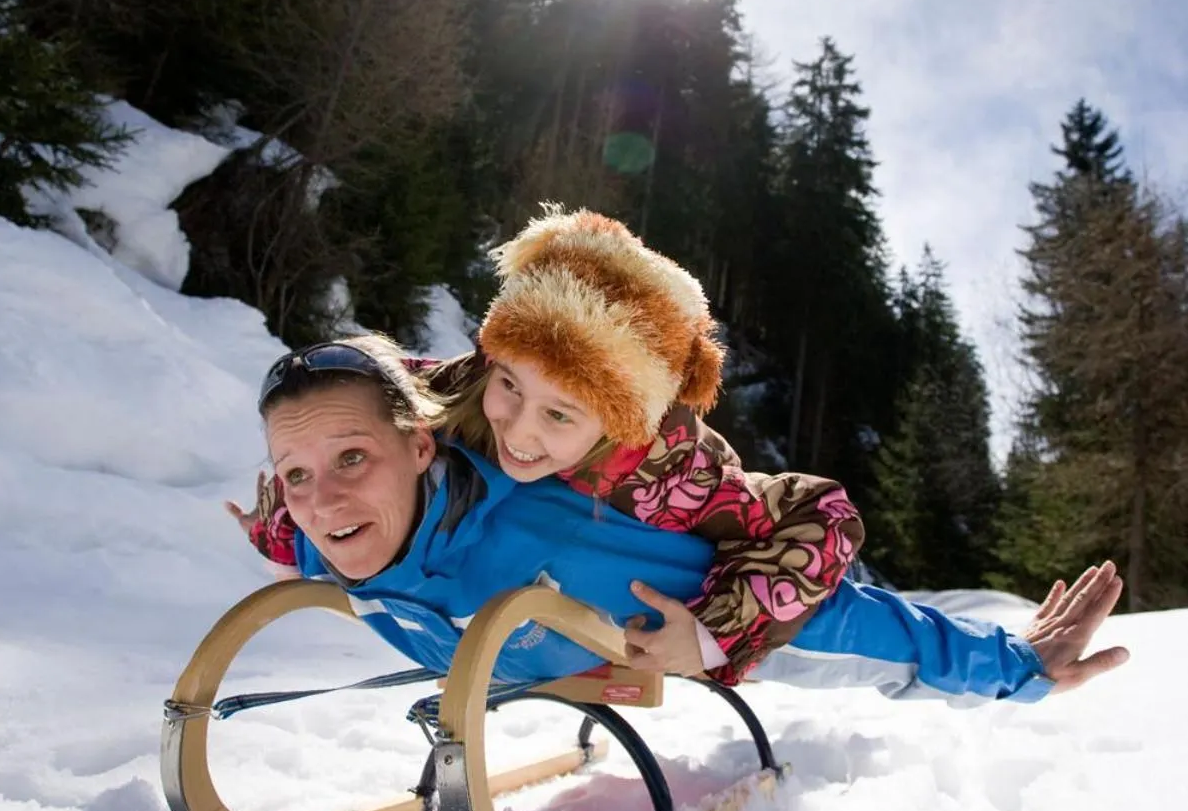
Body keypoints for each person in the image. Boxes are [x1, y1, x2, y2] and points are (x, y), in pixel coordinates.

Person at [235, 330, 1128, 701]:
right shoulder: (319, 530)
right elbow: (304, 492)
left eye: (352, 460)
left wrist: (1016, 667)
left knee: (857, 668)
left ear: (420, 448)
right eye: (298, 476)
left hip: (739, 632)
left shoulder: (561, 513)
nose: (325, 502)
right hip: (559, 670)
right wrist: (280, 522)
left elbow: (838, 612)